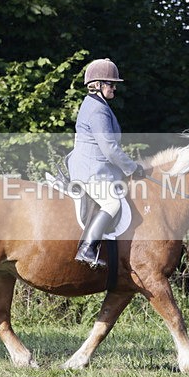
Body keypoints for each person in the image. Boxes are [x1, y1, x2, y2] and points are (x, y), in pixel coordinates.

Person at [67, 58, 145, 268]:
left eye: (114, 84)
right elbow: (109, 148)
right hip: (91, 169)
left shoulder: (96, 104)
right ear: (97, 85)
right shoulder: (97, 109)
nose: (114, 87)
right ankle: (87, 249)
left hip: (94, 165)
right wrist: (131, 167)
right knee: (112, 202)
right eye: (110, 84)